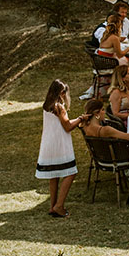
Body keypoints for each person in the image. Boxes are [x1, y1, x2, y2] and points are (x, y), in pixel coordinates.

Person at [36, 80, 81, 218]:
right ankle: (59, 205)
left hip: (48, 142)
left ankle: (52, 206)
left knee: (53, 175)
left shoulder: (47, 106)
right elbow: (67, 126)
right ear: (61, 93)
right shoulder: (59, 107)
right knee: (71, 172)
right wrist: (80, 119)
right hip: (59, 143)